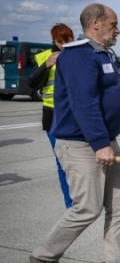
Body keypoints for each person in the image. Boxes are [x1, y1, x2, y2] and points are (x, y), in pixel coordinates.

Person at [30, 3, 120, 263]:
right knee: (87, 208)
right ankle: (44, 256)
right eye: (114, 24)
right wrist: (101, 144)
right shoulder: (77, 56)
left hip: (103, 141)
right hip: (81, 143)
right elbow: (84, 104)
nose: (118, 29)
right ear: (96, 24)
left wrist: (107, 142)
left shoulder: (102, 53)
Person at [29, 23, 75, 208]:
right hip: (53, 116)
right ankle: (70, 203)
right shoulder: (43, 57)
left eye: (67, 40)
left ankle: (84, 197)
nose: (64, 44)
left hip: (74, 115)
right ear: (53, 40)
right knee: (61, 162)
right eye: (60, 41)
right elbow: (33, 83)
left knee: (78, 161)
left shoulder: (78, 55)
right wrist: (46, 66)